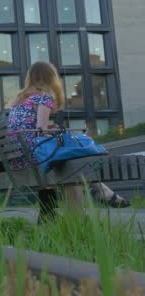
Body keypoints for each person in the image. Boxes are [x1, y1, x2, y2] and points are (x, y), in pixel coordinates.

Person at [8, 61, 129, 220]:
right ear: (51, 78)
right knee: (71, 159)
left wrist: (49, 130)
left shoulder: (19, 100)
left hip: (16, 157)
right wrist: (54, 131)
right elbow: (40, 129)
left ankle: (102, 193)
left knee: (68, 160)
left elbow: (29, 129)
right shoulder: (44, 98)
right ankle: (96, 200)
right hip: (32, 157)